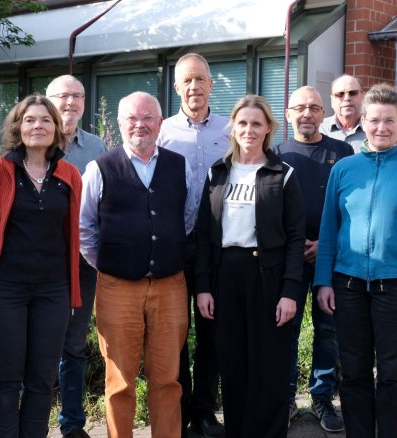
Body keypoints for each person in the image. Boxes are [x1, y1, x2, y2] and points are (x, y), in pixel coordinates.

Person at [315, 84, 397, 437]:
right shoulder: (344, 169)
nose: (381, 127)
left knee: (393, 372)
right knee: (353, 370)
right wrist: (323, 280)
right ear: (364, 121)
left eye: (389, 120)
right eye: (374, 120)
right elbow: (329, 228)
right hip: (348, 285)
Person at [80, 91, 191, 438]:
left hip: (170, 286)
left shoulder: (179, 165)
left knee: (168, 379)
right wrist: (110, 264)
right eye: (132, 118)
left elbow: (188, 217)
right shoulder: (99, 168)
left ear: (160, 123)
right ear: (119, 123)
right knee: (120, 381)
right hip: (117, 288)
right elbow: (84, 227)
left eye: (147, 118)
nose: (139, 124)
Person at [194, 94, 305, 437]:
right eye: (242, 123)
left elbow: (296, 237)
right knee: (232, 363)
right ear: (233, 127)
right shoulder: (217, 172)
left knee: (268, 363)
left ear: (269, 128)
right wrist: (203, 286)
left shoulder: (283, 174)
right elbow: (203, 233)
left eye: (257, 123)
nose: (249, 130)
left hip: (267, 276)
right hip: (225, 275)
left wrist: (290, 291)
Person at [0, 95, 83, 437]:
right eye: (30, 119)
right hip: (4, 291)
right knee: (5, 379)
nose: (38, 126)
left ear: (56, 128)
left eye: (46, 120)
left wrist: (71, 291)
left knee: (42, 380)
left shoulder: (69, 175)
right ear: (17, 127)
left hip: (53, 292)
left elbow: (72, 235)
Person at [157, 52, 230, 438]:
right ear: (176, 87)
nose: (194, 86)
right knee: (176, 333)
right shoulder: (163, 131)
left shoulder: (230, 129)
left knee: (212, 332)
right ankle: (180, 409)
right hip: (177, 244)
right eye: (187, 80)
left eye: (200, 79)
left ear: (211, 84)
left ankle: (204, 410)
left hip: (218, 245)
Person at [274, 86, 351, 432]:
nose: (307, 113)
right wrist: (294, 244)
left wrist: (325, 243)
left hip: (329, 255)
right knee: (285, 329)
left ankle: (322, 397)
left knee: (328, 330)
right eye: (300, 108)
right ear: (288, 114)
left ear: (324, 114)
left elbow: (350, 207)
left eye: (314, 108)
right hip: (288, 258)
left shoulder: (342, 152)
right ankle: (286, 398)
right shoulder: (276, 154)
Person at [46, 74, 107, 438]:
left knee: (74, 345)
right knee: (38, 341)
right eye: (63, 95)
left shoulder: (97, 147)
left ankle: (72, 424)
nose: (70, 102)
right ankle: (30, 421)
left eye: (77, 96)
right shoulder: (34, 140)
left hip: (83, 262)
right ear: (49, 100)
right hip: (42, 262)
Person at [320, 74, 366, 151]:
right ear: (332, 100)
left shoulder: (374, 130)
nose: (347, 98)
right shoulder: (320, 129)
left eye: (353, 93)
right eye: (340, 94)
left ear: (363, 97)